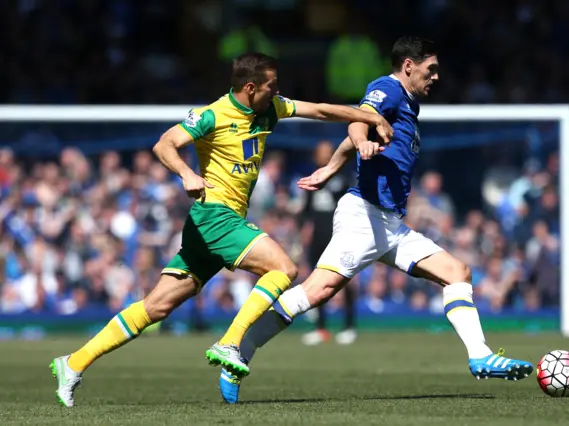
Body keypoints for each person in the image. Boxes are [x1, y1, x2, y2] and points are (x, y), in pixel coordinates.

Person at [50, 52, 393, 408]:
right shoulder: (212, 114)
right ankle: (230, 341)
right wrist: (186, 173)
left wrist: (369, 116)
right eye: (272, 85)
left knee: (156, 306)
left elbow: (322, 110)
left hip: (213, 226)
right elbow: (164, 144)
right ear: (250, 87)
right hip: (215, 217)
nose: (278, 90)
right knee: (283, 268)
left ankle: (73, 363)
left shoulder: (270, 108)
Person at [218, 37, 533, 404]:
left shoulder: (408, 107)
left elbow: (357, 133)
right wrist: (363, 139)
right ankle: (239, 352)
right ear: (409, 66)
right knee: (316, 291)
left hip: (390, 224)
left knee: (457, 272)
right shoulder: (388, 89)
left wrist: (331, 167)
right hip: (364, 216)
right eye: (430, 69)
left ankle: (480, 356)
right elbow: (358, 120)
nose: (436, 76)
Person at [299, 141, 356, 346]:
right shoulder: (312, 178)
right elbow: (305, 210)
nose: (323, 156)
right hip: (318, 236)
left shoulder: (343, 179)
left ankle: (349, 326)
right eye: (320, 153)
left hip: (338, 234)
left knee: (345, 280)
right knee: (316, 279)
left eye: (327, 153)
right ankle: (320, 327)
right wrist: (304, 229)